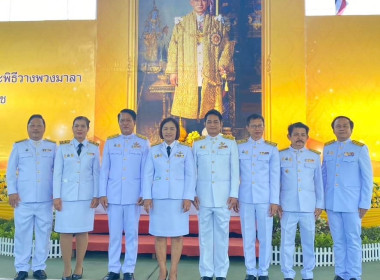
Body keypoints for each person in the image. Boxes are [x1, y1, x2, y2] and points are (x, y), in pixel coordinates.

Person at [143, 117, 196, 280]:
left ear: (177, 132)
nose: (168, 132)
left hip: (178, 199)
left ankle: (173, 271)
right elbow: (147, 175)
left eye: (172, 129)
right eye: (165, 129)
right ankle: (162, 270)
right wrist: (147, 196)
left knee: (177, 235)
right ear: (161, 131)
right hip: (158, 199)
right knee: (159, 235)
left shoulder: (186, 150)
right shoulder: (154, 150)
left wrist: (188, 197)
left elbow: (190, 174)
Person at [100, 109, 150, 280]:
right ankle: (113, 269)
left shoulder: (143, 143)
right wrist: (102, 193)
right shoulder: (111, 142)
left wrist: (144, 193)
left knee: (131, 234)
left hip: (133, 197)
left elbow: (146, 171)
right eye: (122, 120)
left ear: (134, 122)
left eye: (129, 120)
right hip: (113, 196)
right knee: (114, 235)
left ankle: (129, 270)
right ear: (118, 122)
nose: (125, 123)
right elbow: (104, 170)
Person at [166, 0, 235, 122]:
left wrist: (222, 65)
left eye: (204, 0)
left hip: (210, 74)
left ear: (208, 2)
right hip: (187, 74)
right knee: (189, 113)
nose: (200, 3)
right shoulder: (182, 24)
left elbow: (227, 46)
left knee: (209, 113)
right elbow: (173, 48)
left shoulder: (217, 24)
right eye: (197, 0)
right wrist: (173, 71)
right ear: (191, 2)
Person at [322, 116, 373, 280]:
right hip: (332, 202)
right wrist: (322, 200)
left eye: (345, 126)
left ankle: (354, 275)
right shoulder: (328, 148)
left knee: (352, 239)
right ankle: (341, 273)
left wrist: (365, 202)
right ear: (333, 129)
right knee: (338, 240)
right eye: (338, 126)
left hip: (352, 203)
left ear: (351, 129)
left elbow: (367, 178)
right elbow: (324, 176)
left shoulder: (360, 148)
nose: (342, 128)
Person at [6, 114, 56, 280]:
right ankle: (21, 268)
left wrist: (57, 195)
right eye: (32, 126)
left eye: (39, 126)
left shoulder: (52, 147)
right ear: (27, 128)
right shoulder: (19, 146)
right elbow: (11, 172)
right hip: (23, 200)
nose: (35, 129)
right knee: (22, 235)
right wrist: (12, 191)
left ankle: (39, 268)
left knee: (44, 234)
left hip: (45, 199)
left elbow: (57, 172)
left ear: (44, 128)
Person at [192, 109, 239, 280]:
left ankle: (220, 273)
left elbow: (235, 171)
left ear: (221, 124)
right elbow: (192, 172)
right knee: (205, 237)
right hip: (203, 198)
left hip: (223, 198)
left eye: (215, 122)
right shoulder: (197, 144)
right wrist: (192, 193)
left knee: (221, 237)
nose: (212, 125)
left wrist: (234, 194)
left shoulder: (230, 143)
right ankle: (206, 272)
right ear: (204, 124)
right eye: (209, 122)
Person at [53, 116, 100, 280]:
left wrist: (96, 195)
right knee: (65, 232)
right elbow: (57, 173)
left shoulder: (94, 148)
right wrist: (56, 196)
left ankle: (79, 266)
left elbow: (96, 174)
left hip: (86, 198)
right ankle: (66, 268)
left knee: (82, 232)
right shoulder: (63, 148)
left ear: (88, 129)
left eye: (83, 126)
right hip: (66, 197)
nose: (80, 129)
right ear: (72, 128)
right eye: (77, 126)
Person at [278, 122, 324, 280]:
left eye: (302, 135)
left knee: (308, 242)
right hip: (287, 206)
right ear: (289, 137)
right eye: (296, 134)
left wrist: (319, 204)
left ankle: (308, 273)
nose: (299, 138)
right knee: (286, 243)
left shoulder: (314, 156)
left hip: (308, 207)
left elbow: (319, 182)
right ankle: (288, 274)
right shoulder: (280, 155)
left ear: (307, 137)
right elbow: (276, 182)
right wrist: (276, 203)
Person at [237, 114, 280, 280]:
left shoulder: (271, 148)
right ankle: (250, 271)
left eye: (260, 125)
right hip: (246, 197)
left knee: (264, 236)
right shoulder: (239, 147)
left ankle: (263, 271)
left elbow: (275, 177)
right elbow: (235, 174)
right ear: (247, 128)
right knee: (248, 235)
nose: (257, 129)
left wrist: (274, 201)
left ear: (264, 127)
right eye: (254, 126)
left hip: (265, 199)